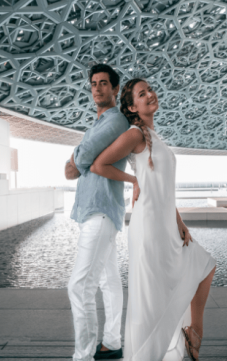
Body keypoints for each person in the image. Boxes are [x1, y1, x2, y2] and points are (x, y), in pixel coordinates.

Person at [90, 78, 216, 361]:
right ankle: (161, 349)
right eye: (142, 94)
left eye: (150, 90)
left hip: (166, 225)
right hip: (148, 230)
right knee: (150, 302)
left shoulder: (155, 136)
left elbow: (162, 187)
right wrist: (133, 179)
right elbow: (100, 164)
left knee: (204, 265)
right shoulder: (135, 134)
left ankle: (193, 332)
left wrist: (179, 221)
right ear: (133, 106)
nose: (150, 95)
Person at [64, 64, 131, 361]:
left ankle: (84, 355)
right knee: (108, 281)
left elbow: (76, 164)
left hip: (100, 212)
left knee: (79, 286)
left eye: (104, 83)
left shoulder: (115, 122)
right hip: (98, 211)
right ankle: (113, 342)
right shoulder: (98, 124)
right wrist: (79, 157)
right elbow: (80, 160)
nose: (97, 88)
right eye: (93, 83)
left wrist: (76, 157)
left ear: (115, 89)